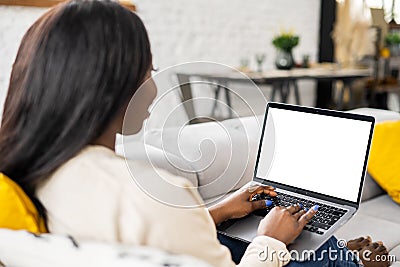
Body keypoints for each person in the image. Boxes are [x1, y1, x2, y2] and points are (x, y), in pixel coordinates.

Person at [0, 1, 389, 266]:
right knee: (361, 255)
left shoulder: (35, 168)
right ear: (112, 86)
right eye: (149, 72)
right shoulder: (152, 194)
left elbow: (146, 237)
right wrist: (270, 239)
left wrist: (214, 213)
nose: (154, 86)